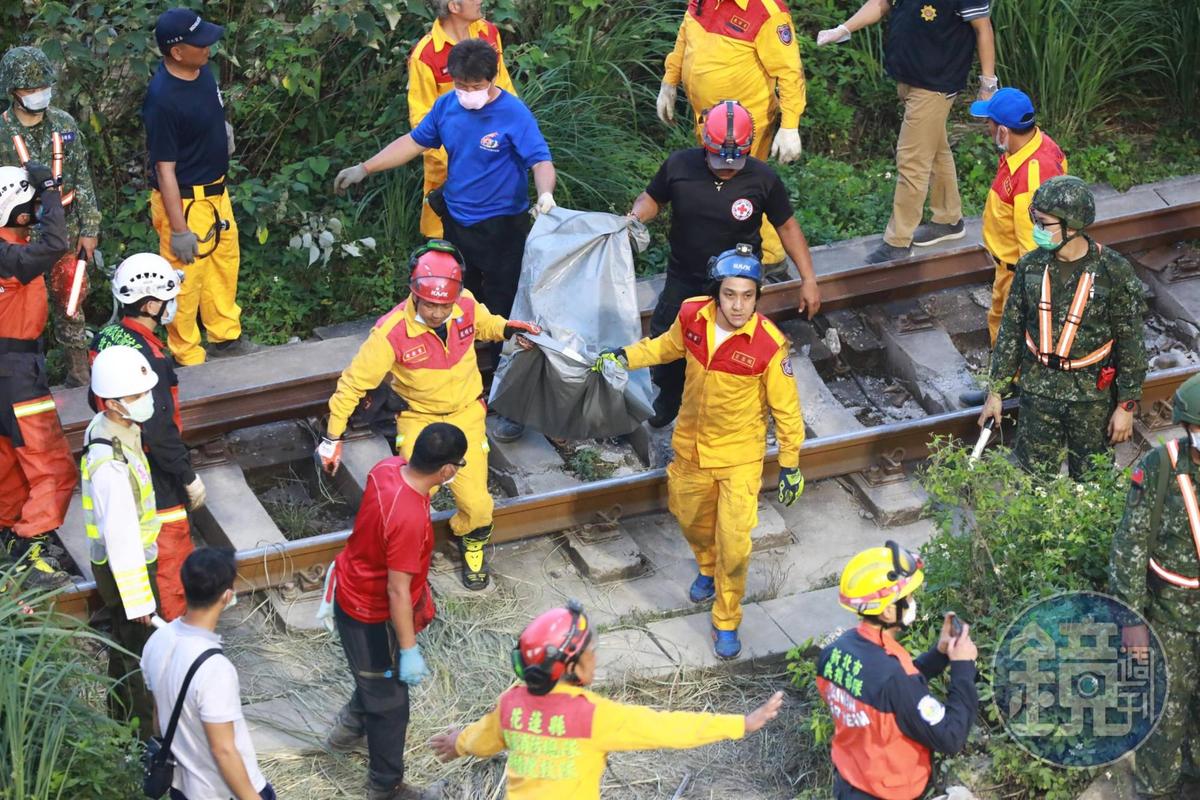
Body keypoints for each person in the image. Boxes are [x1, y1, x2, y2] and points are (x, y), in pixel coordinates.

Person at [596, 244, 806, 658]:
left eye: (748, 296)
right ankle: (706, 566)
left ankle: (726, 619)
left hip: (738, 460)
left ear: (757, 296)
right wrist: (625, 356)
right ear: (717, 292)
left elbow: (788, 412)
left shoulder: (768, 346)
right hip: (690, 448)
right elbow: (665, 347)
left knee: (735, 545)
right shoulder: (693, 315)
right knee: (689, 517)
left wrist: (790, 465)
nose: (739, 305)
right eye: (730, 294)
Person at [316, 241, 539, 590]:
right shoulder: (391, 333)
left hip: (466, 417)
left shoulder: (464, 305)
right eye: (431, 305)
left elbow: (485, 324)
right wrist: (332, 437)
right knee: (413, 504)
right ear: (414, 293)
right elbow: (352, 384)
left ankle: (471, 541)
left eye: (444, 305)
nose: (438, 313)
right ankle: (407, 557)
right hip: (420, 422)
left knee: (479, 507)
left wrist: (509, 329)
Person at [429, 601, 784, 798]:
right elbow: (667, 728)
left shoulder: (511, 703)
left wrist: (456, 743)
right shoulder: (595, 717)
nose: (596, 656)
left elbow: (483, 738)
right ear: (572, 665)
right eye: (591, 651)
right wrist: (741, 723)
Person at [629, 99, 820, 427]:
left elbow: (787, 226)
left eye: (735, 162)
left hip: (737, 281)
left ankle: (722, 408)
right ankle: (670, 397)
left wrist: (809, 279)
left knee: (730, 342)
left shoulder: (762, 178)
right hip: (685, 272)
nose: (727, 167)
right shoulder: (679, 166)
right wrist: (634, 218)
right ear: (705, 143)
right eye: (720, 161)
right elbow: (652, 199)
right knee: (667, 336)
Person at [333, 39, 555, 322]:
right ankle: (461, 359)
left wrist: (545, 194)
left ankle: (503, 361)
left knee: (503, 302)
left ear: (493, 78)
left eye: (476, 87)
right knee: (459, 300)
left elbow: (540, 161)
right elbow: (414, 143)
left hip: (503, 226)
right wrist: (365, 168)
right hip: (458, 220)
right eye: (461, 85)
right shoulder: (447, 106)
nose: (468, 93)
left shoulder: (514, 113)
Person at [321, 423, 467, 800]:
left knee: (375, 681)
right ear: (447, 470)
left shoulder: (386, 468)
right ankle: (386, 788)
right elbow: (397, 591)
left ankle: (346, 732)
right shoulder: (410, 519)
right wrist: (408, 650)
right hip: (371, 614)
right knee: (390, 705)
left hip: (350, 590)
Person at [978, 176, 1147, 480]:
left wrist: (1127, 405)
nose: (1037, 230)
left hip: (1091, 399)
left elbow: (1131, 342)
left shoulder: (1113, 271)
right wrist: (996, 392)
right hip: (1037, 393)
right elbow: (1011, 332)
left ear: (1073, 225)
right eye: (1035, 221)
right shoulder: (1031, 266)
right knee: (1033, 481)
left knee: (1093, 481)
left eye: (1044, 223)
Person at [816, 1, 998, 264]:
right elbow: (881, 3)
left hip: (936, 84)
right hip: (908, 77)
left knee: (912, 160)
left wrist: (988, 82)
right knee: (935, 148)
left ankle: (898, 241)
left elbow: (983, 28)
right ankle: (948, 219)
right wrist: (843, 29)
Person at [90, 253, 206, 620]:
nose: (173, 305)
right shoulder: (147, 356)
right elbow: (159, 425)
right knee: (171, 557)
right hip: (153, 471)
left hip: (126, 448)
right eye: (169, 298)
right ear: (152, 303)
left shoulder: (107, 336)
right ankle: (173, 632)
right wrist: (186, 475)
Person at [818, 541, 978, 799]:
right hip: (890, 791)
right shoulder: (895, 677)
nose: (913, 602)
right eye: (909, 597)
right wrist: (962, 667)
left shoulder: (835, 653)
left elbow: (889, 691)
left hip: (850, 783)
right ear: (889, 610)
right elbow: (951, 736)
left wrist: (939, 655)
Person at [144, 8, 256, 365]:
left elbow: (207, 113)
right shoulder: (162, 99)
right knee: (185, 280)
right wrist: (178, 228)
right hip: (186, 202)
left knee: (224, 267)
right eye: (200, 43)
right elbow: (165, 169)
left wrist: (220, 133)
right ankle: (186, 353)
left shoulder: (202, 71)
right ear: (177, 52)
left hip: (216, 195)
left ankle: (225, 337)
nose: (209, 48)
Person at [656, 0, 807, 266]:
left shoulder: (767, 11)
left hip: (744, 126)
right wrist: (670, 80)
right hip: (708, 122)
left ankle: (770, 259)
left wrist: (790, 125)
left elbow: (790, 71)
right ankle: (723, 250)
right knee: (718, 187)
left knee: (749, 188)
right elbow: (685, 36)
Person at [1109, 374, 1200, 799]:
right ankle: (1158, 788)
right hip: (1170, 622)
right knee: (1166, 716)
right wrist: (1132, 625)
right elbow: (1129, 552)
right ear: (1191, 428)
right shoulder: (1161, 469)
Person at [0, 45, 102, 387]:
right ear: (13, 91)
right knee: (22, 309)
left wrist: (90, 227)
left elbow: (82, 177)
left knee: (70, 300)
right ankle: (28, 380)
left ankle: (79, 375)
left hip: (67, 228)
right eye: (29, 89)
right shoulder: (1, 132)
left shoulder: (63, 123)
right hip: (18, 238)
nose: (38, 94)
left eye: (42, 86)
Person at [142, 548, 276, 800]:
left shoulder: (156, 641)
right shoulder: (215, 668)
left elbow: (158, 716)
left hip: (182, 788)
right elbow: (223, 750)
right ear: (227, 596)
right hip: (221, 792)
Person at [0, 162, 75, 587]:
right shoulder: (10, 255)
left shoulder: (9, 249)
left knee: (9, 465)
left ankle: (10, 540)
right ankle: (31, 545)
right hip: (18, 373)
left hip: (6, 372)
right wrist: (47, 188)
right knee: (51, 465)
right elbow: (54, 242)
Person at [83, 345, 163, 738]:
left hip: (130, 562)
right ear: (113, 403)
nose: (146, 400)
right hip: (127, 570)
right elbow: (120, 535)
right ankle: (140, 739)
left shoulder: (115, 428)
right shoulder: (110, 461)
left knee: (124, 647)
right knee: (137, 656)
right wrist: (140, 601)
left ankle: (121, 723)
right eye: (137, 395)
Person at [408, 0, 516, 239]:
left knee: (498, 244)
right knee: (447, 249)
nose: (480, 1)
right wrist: (463, 161)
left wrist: (516, 135)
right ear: (454, 6)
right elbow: (422, 122)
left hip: (495, 158)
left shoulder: (489, 32)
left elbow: (505, 87)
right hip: (450, 170)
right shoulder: (426, 55)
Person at [973, 88, 1067, 346]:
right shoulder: (1040, 144)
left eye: (990, 125)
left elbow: (1033, 244)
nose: (988, 130)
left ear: (1004, 131)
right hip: (1010, 268)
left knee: (1010, 334)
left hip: (1018, 274)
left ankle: (1008, 385)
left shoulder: (1030, 177)